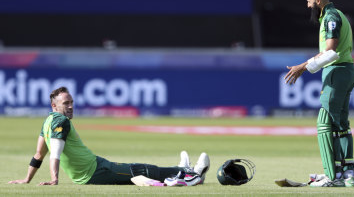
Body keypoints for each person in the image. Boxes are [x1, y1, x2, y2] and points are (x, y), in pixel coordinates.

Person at [8, 87, 210, 185]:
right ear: (54, 106)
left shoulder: (47, 121)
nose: (70, 107)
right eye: (65, 104)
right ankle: (190, 173)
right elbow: (54, 154)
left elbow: (37, 155)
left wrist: (27, 179)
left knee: (139, 169)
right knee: (141, 170)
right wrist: (54, 179)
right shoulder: (60, 122)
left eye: (71, 102)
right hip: (95, 172)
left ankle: (182, 169)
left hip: (95, 167)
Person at [284, 0, 354, 187]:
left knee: (324, 123)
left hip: (337, 71)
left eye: (309, 1)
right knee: (341, 125)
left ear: (317, 1)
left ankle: (331, 176)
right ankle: (347, 174)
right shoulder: (337, 13)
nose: (307, 5)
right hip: (346, 70)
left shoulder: (331, 16)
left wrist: (303, 67)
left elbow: (331, 51)